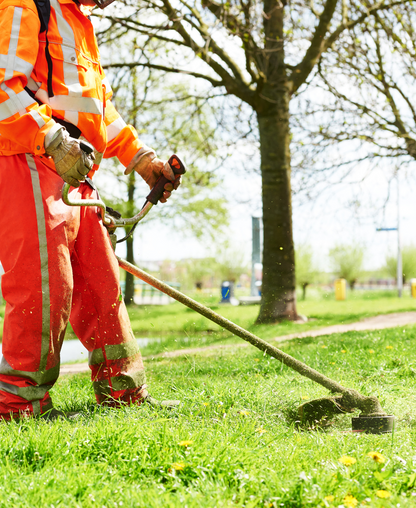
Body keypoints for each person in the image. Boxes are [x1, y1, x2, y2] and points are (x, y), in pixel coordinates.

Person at [0, 0, 181, 419]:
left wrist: (141, 158)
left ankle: (123, 391)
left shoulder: (78, 21)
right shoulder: (26, 4)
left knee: (100, 280)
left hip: (72, 167)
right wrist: (50, 138)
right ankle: (17, 404)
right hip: (27, 157)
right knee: (45, 283)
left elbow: (98, 110)